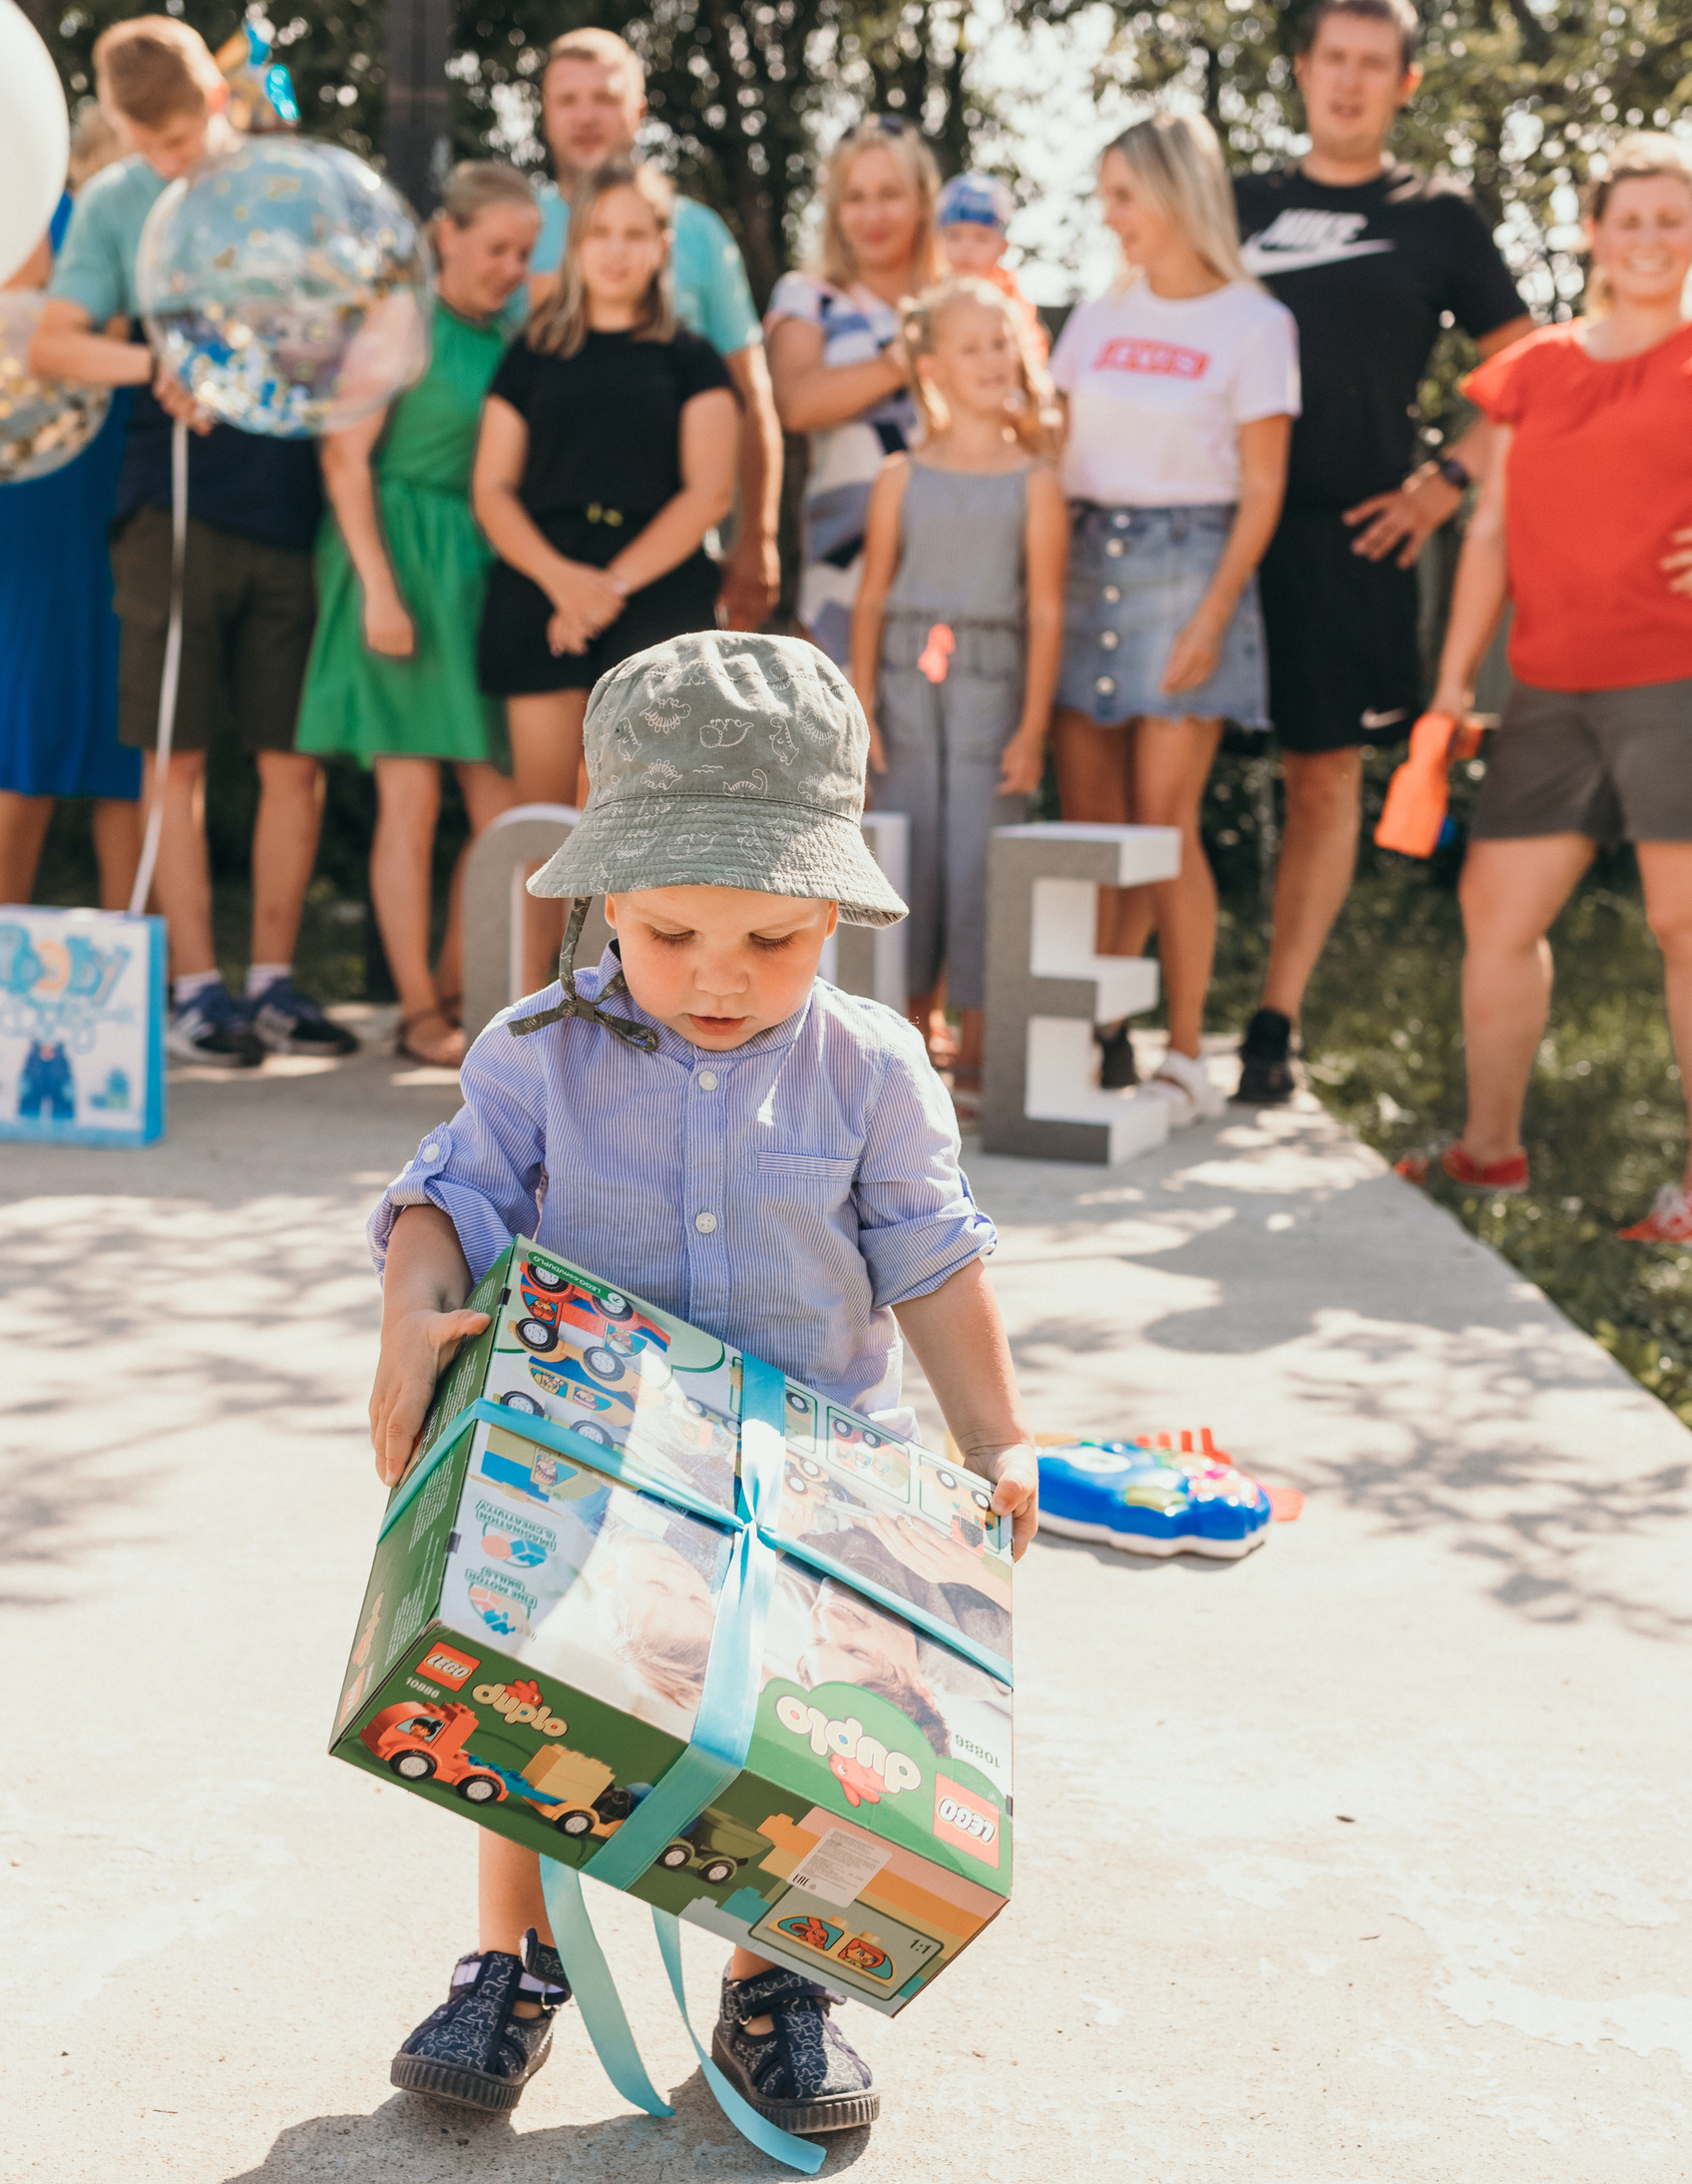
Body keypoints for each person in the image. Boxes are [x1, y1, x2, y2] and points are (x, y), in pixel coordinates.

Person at [364, 630, 1040, 2134]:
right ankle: (511, 1962)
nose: (718, 978)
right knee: (532, 1683)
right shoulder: (537, 1052)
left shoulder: (873, 1065)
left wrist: (999, 1434)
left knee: (809, 1730)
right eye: (670, 936)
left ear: (834, 916)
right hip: (590, 1451)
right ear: (604, 892)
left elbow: (929, 1254)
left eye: (775, 943)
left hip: (815, 1476)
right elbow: (451, 1199)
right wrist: (413, 1311)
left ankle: (778, 1982)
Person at [1405, 135, 1692, 1249]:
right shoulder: (1537, 368)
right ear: (1592, 232)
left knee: (1691, 922)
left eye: (1673, 219)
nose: (1650, 239)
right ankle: (1487, 1150)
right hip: (1552, 685)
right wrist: (1447, 688)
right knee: (1496, 912)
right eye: (1629, 219)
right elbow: (1486, 533)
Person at [29, 16, 355, 1068]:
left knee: (291, 761)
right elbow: (52, 340)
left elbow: (348, 320)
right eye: (148, 144)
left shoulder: (287, 186)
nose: (168, 163)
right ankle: (197, 990)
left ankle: (272, 981)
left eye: (181, 139)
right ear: (121, 127)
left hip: (286, 501)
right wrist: (149, 367)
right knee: (174, 757)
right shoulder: (118, 200)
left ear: (217, 101)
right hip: (165, 509)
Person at [1230, 0, 1531, 1103]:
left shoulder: (1438, 218)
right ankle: (1136, 1017)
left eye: (1373, 63)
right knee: (1158, 776)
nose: (1349, 82)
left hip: (1350, 541)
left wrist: (1444, 483)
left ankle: (1273, 1021)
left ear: (1404, 83)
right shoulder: (1238, 203)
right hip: (1213, 534)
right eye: (1331, 60)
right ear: (1301, 71)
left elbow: (1524, 371)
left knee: (1320, 782)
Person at [1051, 111, 1297, 1120]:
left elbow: (1262, 486)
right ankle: (1096, 1030)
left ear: (1171, 191)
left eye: (1123, 196)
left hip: (1193, 560)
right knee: (1091, 826)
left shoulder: (1254, 322)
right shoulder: (1097, 316)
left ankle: (1185, 1049)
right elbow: (1051, 445)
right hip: (1084, 555)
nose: (1110, 218)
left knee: (1163, 822)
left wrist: (1213, 608)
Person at [295, 162, 538, 1069]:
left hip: (474, 566)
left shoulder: (510, 335)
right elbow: (343, 457)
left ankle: (465, 992)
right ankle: (416, 1008)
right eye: (495, 247)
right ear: (448, 235)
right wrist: (380, 589)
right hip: (394, 556)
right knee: (411, 795)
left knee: (501, 806)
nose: (511, 265)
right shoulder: (401, 320)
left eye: (523, 250)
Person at [474, 158, 739, 984]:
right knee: (544, 821)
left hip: (655, 597)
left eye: (634, 235)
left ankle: (628, 1005)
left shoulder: (692, 359)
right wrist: (563, 583)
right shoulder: (530, 355)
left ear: (662, 247)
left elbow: (707, 493)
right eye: (599, 235)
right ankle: (526, 1015)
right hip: (539, 591)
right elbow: (491, 487)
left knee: (632, 819)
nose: (616, 252)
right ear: (577, 244)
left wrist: (607, 588)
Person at [848, 277, 1067, 1104]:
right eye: (970, 346)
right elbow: (871, 595)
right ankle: (904, 1049)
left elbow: (1046, 610)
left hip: (991, 687)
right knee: (904, 857)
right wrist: (862, 701)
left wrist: (1033, 724)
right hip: (904, 689)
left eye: (1000, 342)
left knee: (982, 853)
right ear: (931, 366)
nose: (989, 360)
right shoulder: (900, 477)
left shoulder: (1035, 482)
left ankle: (978, 1054)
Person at [0, 103, 143, 916]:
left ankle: (134, 958)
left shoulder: (174, 238)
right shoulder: (40, 224)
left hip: (124, 496)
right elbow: (3, 350)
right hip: (33, 497)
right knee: (22, 719)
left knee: (131, 737)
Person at [523, 27, 780, 633]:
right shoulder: (512, 230)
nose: (586, 116)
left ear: (638, 109)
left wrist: (757, 537)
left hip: (674, 555)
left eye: (605, 98)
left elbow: (752, 394)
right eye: (567, 100)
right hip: (533, 559)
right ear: (544, 113)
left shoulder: (698, 232)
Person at [762, 120, 943, 668]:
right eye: (855, 198)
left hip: (951, 549)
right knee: (847, 739)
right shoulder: (807, 295)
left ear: (922, 201)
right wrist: (900, 362)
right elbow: (796, 403)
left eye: (890, 194)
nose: (873, 215)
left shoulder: (962, 294)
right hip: (845, 558)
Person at [934, 171, 1043, 338]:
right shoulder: (932, 294)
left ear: (1003, 247)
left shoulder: (1010, 301)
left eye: (981, 238)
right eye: (954, 236)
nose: (966, 247)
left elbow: (1030, 350)